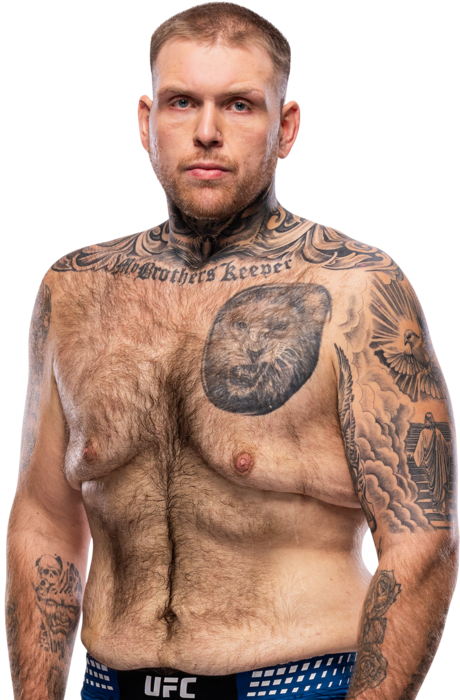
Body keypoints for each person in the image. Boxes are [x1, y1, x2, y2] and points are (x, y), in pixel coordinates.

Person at [6, 3, 458, 699]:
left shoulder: (355, 288)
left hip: (296, 683)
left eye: (239, 105)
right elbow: (43, 520)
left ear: (286, 127)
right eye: (182, 102)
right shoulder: (75, 291)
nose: (207, 132)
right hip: (107, 684)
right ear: (146, 122)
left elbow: (422, 538)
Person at [408, 412, 451, 518]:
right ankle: (438, 505)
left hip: (437, 465)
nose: (426, 422)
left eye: (428, 420)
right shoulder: (428, 432)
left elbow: (419, 451)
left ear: (430, 421)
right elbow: (420, 449)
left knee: (437, 484)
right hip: (432, 465)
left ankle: (440, 506)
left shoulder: (435, 433)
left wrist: (413, 455)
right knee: (435, 484)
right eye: (426, 420)